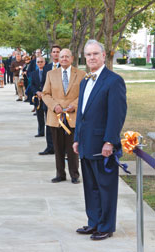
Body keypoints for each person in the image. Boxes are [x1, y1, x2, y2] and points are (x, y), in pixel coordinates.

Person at [73, 40, 127, 240]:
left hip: (103, 145)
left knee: (106, 187)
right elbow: (82, 114)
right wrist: (77, 138)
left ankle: (106, 226)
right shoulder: (85, 80)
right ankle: (93, 222)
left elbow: (117, 115)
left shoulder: (114, 81)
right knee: (90, 187)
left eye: (95, 54)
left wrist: (110, 142)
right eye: (88, 55)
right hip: (86, 143)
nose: (92, 57)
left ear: (104, 55)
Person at [43, 48, 86, 184]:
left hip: (73, 116)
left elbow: (84, 94)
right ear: (58, 59)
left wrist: (74, 105)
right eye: (62, 57)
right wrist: (54, 106)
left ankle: (74, 174)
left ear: (72, 58)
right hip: (56, 118)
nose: (64, 59)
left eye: (67, 56)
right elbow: (45, 93)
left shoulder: (81, 74)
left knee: (73, 148)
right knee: (58, 147)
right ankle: (60, 174)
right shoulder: (51, 74)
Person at [39, 45, 61, 155]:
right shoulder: (47, 68)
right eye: (54, 52)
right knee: (49, 125)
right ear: (51, 54)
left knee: (62, 125)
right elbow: (43, 83)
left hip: (62, 101)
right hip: (48, 101)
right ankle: (50, 147)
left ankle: (63, 149)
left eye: (58, 52)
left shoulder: (65, 66)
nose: (56, 54)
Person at [31, 56, 46, 137]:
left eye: (41, 62)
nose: (40, 63)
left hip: (46, 97)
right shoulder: (34, 73)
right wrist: (37, 92)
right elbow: (32, 85)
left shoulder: (48, 73)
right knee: (39, 116)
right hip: (38, 98)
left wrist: (44, 93)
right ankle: (41, 131)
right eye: (38, 62)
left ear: (44, 62)